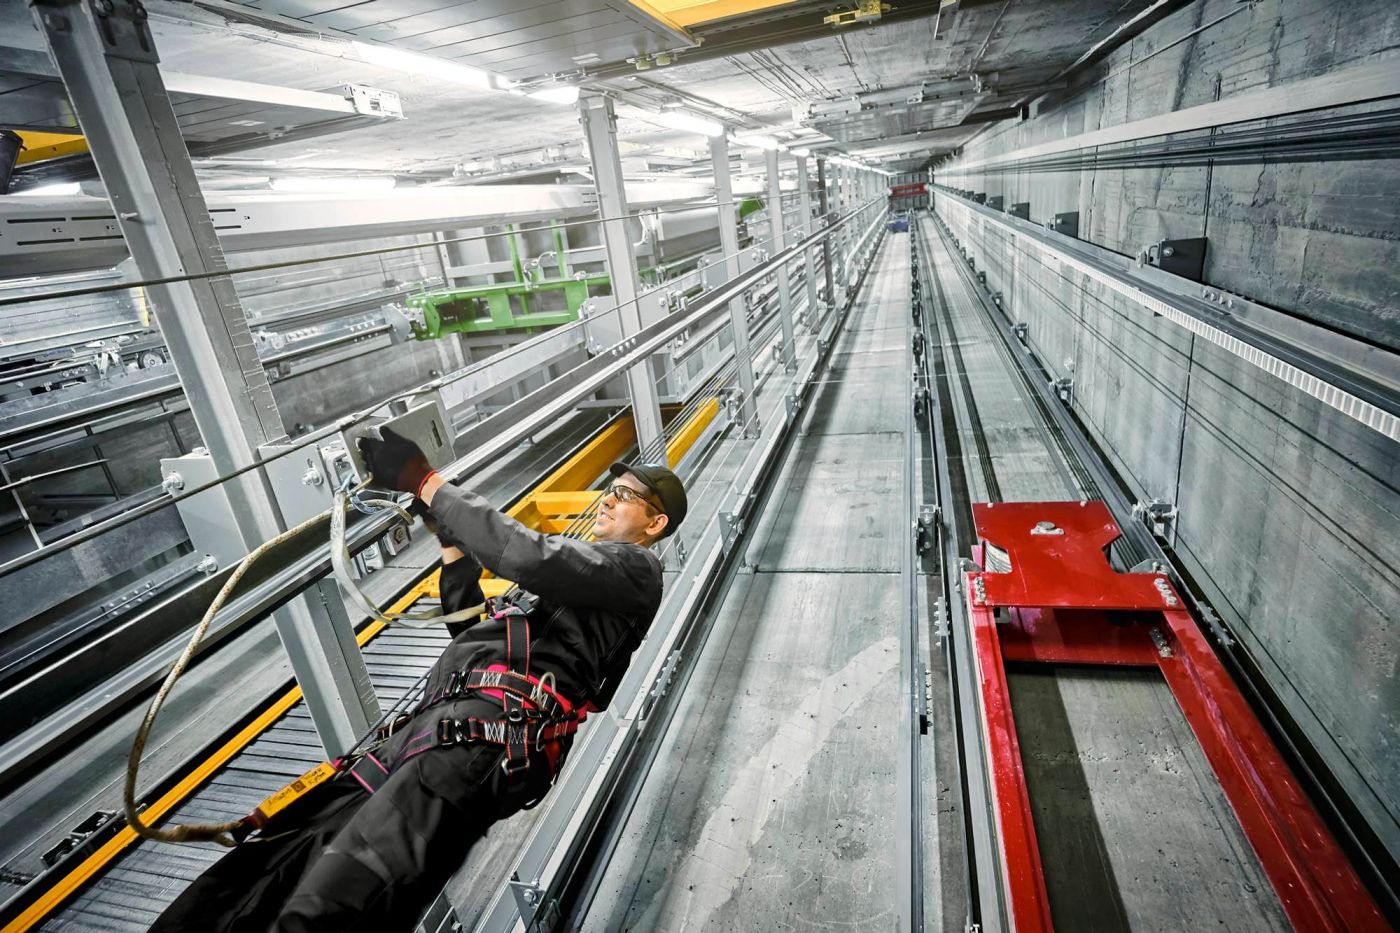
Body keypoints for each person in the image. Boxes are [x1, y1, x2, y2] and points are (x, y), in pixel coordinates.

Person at [151, 428, 686, 932]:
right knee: (257, 873)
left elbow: (528, 556)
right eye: (609, 491)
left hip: (478, 744)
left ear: (654, 524)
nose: (606, 500)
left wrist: (427, 482)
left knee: (335, 902)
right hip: (427, 737)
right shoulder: (577, 595)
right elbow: (471, 636)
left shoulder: (637, 572)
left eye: (623, 494)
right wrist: (453, 547)